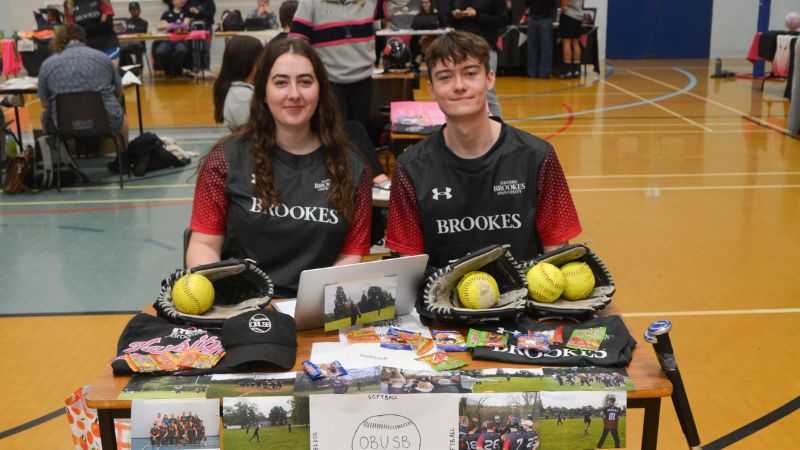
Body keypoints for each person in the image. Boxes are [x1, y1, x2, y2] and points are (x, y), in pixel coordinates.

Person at [187, 38, 372, 297]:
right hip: (241, 306)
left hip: (313, 313)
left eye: (305, 82)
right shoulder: (225, 159)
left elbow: (351, 255)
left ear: (320, 89)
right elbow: (203, 244)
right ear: (263, 91)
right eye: (281, 82)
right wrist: (226, 298)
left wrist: (312, 305)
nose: (294, 94)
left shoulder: (353, 167)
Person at [385, 31, 582, 268]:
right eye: (445, 77)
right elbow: (409, 266)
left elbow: (556, 253)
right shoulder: (411, 168)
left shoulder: (537, 157)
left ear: (489, 78)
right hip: (443, 303)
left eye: (470, 73)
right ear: (431, 88)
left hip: (523, 301)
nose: (459, 86)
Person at [289, 0, 398, 130]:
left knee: (359, 132)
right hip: (329, 82)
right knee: (334, 133)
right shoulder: (311, 3)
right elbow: (296, 43)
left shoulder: (369, 2)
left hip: (363, 81)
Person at [38, 24, 129, 147]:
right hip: (105, 121)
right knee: (121, 116)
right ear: (83, 38)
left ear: (59, 39)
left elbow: (45, 104)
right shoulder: (104, 58)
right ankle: (123, 154)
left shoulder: (47, 65)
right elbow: (120, 93)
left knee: (44, 115)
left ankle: (57, 158)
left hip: (64, 124)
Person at [438, 0, 507, 117]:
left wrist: (477, 15)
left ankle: (499, 130)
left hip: (485, 51)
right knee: (459, 91)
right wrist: (454, 16)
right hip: (460, 51)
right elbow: (445, 20)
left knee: (489, 91)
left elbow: (502, 20)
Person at [212, 35, 263, 129]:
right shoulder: (242, 96)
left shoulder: (238, 90)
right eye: (260, 57)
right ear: (252, 62)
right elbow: (253, 132)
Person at [156, 0, 192, 77]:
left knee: (181, 50)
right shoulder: (167, 14)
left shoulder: (186, 13)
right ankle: (166, 68)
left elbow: (185, 25)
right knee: (160, 51)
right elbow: (160, 26)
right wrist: (175, 25)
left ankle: (174, 68)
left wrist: (170, 25)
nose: (181, 1)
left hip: (181, 40)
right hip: (168, 40)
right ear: (173, 2)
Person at [184, 0, 216, 77]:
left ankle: (206, 68)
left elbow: (210, 14)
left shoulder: (209, 2)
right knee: (195, 48)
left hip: (206, 26)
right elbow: (186, 9)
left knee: (206, 48)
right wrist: (190, 9)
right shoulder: (190, 2)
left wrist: (198, 12)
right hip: (194, 27)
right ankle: (196, 67)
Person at [524, 0, 556, 79]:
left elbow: (527, 3)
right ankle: (544, 73)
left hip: (532, 19)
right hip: (545, 19)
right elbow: (553, 4)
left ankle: (532, 73)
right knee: (546, 49)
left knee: (532, 48)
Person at [557, 0, 583, 79]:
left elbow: (565, 4)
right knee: (576, 43)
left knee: (566, 43)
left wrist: (561, 10)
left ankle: (568, 71)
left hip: (568, 15)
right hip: (578, 16)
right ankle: (577, 71)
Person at [119, 2, 148, 68]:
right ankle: (125, 67)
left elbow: (141, 33)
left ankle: (139, 67)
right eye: (132, 10)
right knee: (119, 47)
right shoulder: (126, 21)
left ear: (139, 10)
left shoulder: (144, 22)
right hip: (127, 44)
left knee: (136, 45)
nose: (134, 11)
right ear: (129, 11)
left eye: (135, 9)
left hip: (139, 44)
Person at [410, 0, 439, 66]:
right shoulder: (417, 17)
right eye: (423, 2)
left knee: (428, 39)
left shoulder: (436, 16)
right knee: (421, 40)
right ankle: (422, 56)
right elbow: (414, 28)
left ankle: (421, 55)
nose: (424, 4)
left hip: (434, 41)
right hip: (420, 42)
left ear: (431, 3)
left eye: (426, 2)